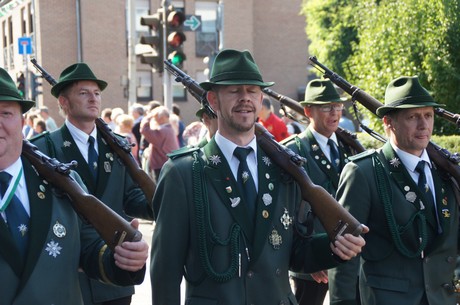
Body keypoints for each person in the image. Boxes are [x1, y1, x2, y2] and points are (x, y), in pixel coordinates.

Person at [150, 49, 367, 305]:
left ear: (261, 97)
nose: (245, 98)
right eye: (234, 91)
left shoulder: (284, 168)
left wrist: (334, 248)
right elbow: (165, 270)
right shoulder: (183, 173)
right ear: (213, 100)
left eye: (252, 91)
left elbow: (294, 250)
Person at [0, 67, 149, 304]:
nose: (93, 98)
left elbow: (88, 245)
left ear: (21, 120)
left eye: (6, 113)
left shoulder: (59, 181)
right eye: (83, 93)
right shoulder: (48, 150)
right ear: (64, 102)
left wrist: (124, 257)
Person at [328, 76, 459, 305]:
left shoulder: (446, 173)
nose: (423, 125)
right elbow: (344, 253)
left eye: (428, 115)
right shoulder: (364, 173)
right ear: (388, 123)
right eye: (412, 117)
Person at [282, 79, 355, 305]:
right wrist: (311, 256)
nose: (334, 113)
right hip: (311, 251)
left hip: (348, 252)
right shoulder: (292, 151)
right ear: (307, 111)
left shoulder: (348, 145)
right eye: (326, 107)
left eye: (338, 106)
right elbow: (289, 209)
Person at [140, 105, 179, 182]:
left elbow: (144, 130)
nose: (154, 119)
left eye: (155, 117)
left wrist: (148, 116)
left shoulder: (162, 131)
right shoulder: (168, 129)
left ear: (162, 118)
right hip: (167, 164)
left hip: (162, 165)